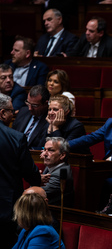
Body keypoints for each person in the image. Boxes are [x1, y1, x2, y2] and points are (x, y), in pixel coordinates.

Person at [0, 93, 41, 249]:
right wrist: (38, 180)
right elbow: (29, 172)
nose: (14, 114)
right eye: (11, 111)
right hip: (5, 209)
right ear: (2, 113)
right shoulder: (16, 137)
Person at [12, 85, 50, 149]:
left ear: (45, 104)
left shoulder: (50, 120)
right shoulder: (23, 111)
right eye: (28, 103)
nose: (30, 108)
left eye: (34, 105)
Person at [40, 137, 74, 207]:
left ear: (62, 155)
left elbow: (36, 194)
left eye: (50, 150)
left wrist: (36, 180)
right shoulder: (51, 166)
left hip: (54, 213)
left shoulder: (60, 173)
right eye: (44, 149)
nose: (45, 154)